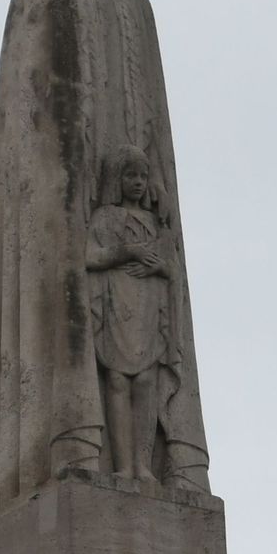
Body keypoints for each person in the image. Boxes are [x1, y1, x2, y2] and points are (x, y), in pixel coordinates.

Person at [0, 0, 210, 521]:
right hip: (66, 201)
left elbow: (154, 117)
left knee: (143, 356)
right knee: (79, 340)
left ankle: (156, 460)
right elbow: (28, 119)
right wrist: (62, 197)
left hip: (131, 212)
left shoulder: (137, 7)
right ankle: (74, 441)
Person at [86, 146, 175, 481]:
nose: (137, 182)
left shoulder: (155, 222)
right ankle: (123, 466)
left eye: (142, 176)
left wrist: (157, 268)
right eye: (130, 175)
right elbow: (91, 257)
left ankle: (144, 465)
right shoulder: (105, 217)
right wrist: (128, 252)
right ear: (118, 179)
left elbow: (170, 269)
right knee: (119, 381)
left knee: (147, 381)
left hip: (147, 305)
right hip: (116, 301)